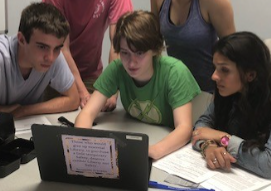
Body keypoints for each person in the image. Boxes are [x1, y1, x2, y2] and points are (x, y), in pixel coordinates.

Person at [192, 32, 271, 185]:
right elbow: (201, 128)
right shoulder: (229, 89)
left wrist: (223, 138)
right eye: (215, 68)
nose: (214, 76)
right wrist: (208, 146)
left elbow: (269, 165)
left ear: (250, 74)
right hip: (243, 175)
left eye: (224, 70)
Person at [75, 11, 200, 160]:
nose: (131, 62)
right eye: (125, 53)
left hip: (169, 148)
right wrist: (84, 145)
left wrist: (150, 152)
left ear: (155, 49)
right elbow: (87, 113)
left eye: (139, 53)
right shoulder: (117, 68)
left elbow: (184, 129)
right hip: (138, 134)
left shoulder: (175, 72)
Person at [0, 2, 79, 119]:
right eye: (42, 47)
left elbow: (74, 99)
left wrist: (23, 110)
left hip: (23, 125)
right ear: (21, 39)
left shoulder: (55, 57)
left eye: (57, 48)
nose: (50, 58)